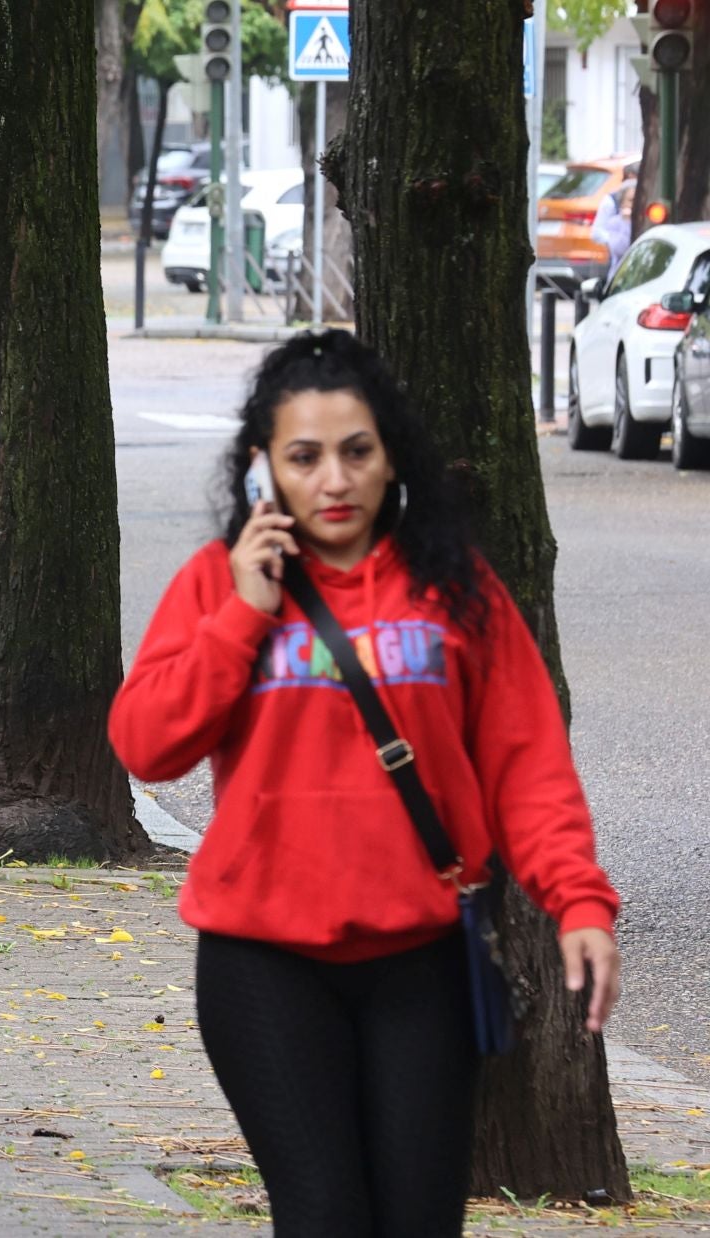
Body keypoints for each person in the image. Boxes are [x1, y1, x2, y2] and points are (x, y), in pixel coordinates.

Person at [108, 330, 621, 1237]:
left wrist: (578, 902)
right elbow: (146, 745)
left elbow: (526, 763)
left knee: (419, 1223)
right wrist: (241, 615)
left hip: (418, 962)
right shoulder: (217, 584)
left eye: (357, 452)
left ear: (392, 461)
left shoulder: (453, 591)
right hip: (262, 964)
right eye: (305, 458)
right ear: (265, 471)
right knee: (326, 1216)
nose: (334, 481)